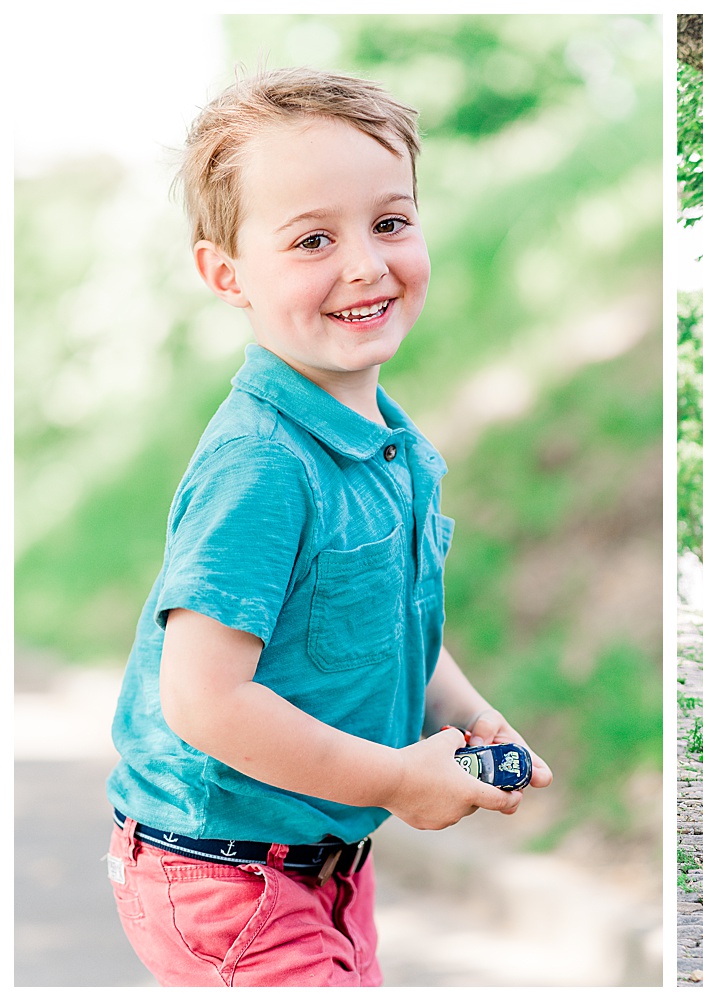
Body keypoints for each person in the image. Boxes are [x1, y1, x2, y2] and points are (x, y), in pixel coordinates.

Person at [104, 68, 553, 987]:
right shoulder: (264, 465)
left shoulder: (386, 446)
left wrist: (466, 715)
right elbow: (203, 699)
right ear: (226, 273)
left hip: (324, 868)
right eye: (313, 239)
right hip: (223, 872)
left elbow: (385, 626)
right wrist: (396, 781)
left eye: (390, 222)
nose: (365, 265)